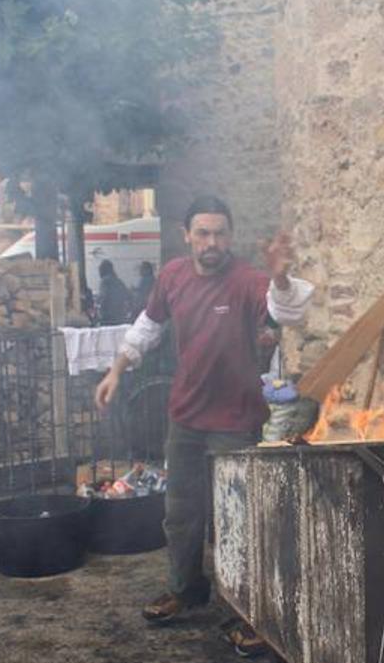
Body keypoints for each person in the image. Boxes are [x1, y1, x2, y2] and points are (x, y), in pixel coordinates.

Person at [94, 196, 313, 624]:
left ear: (230, 236)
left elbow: (286, 310)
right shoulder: (173, 275)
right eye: (203, 233)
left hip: (236, 420)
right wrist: (116, 370)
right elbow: (147, 326)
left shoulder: (248, 280)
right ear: (187, 236)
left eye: (220, 233)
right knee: (181, 514)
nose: (212, 242)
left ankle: (245, 611)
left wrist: (281, 277)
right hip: (186, 417)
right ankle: (185, 589)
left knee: (237, 518)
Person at [96, 259, 133, 326]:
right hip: (119, 315)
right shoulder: (119, 281)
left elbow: (103, 296)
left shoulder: (105, 281)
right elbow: (128, 295)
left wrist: (97, 303)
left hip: (107, 316)